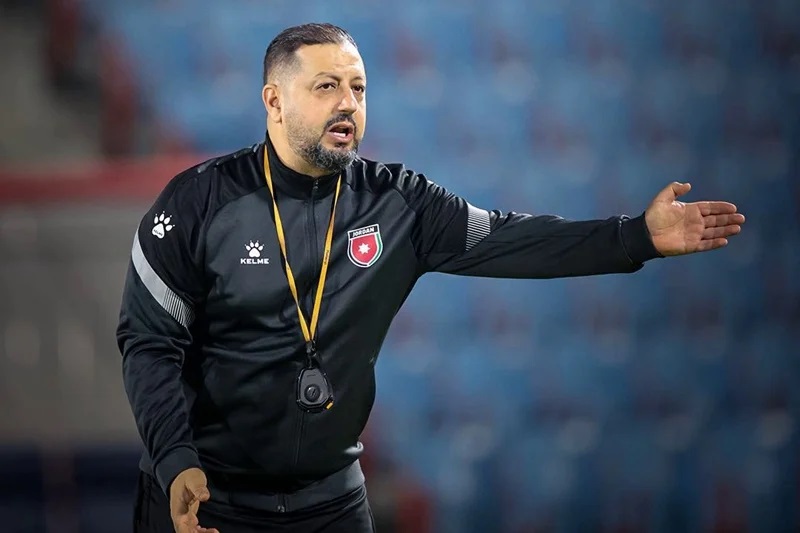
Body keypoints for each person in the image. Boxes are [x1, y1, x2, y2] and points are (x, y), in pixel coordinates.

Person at [117, 22, 745, 533]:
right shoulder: (198, 204)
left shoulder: (398, 202)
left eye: (359, 88)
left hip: (331, 504)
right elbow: (148, 342)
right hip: (207, 500)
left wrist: (636, 236)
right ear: (274, 101)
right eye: (327, 86)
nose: (348, 103)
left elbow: (510, 239)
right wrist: (175, 460)